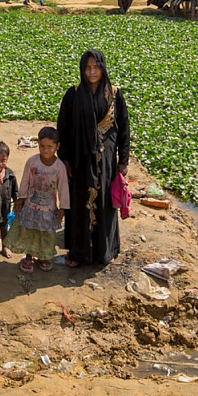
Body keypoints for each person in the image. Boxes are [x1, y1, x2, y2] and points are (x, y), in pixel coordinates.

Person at [57, 49, 130, 267]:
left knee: (106, 204)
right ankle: (78, 253)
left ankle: (105, 252)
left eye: (96, 67)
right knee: (80, 203)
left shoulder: (115, 94)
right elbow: (63, 128)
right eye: (87, 67)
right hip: (80, 160)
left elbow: (124, 128)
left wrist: (123, 161)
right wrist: (66, 159)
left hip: (106, 161)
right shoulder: (74, 93)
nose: (91, 72)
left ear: (103, 68)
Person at [3, 127, 70, 273]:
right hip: (31, 205)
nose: (45, 150)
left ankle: (43, 257)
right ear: (38, 144)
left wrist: (63, 208)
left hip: (49, 209)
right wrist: (21, 198)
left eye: (50, 147)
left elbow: (63, 188)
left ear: (57, 146)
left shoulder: (59, 167)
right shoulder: (32, 162)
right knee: (30, 231)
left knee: (45, 234)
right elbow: (25, 180)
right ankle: (28, 257)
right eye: (42, 146)